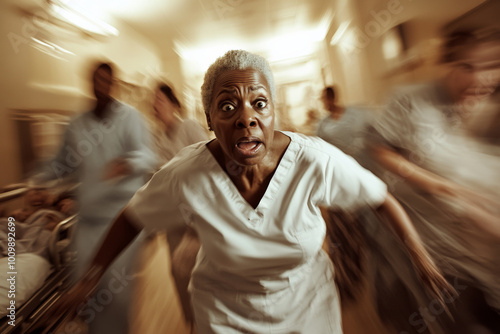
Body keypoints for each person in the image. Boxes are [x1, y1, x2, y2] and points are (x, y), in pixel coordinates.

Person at [49, 50, 452, 334]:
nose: (246, 118)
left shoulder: (313, 160)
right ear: (208, 119)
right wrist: (89, 280)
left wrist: (419, 256)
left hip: (308, 312)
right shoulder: (187, 174)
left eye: (259, 103)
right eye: (227, 107)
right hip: (224, 317)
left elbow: (380, 197)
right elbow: (131, 218)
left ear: (274, 110)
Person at [367, 30, 500, 333]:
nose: (481, 78)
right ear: (448, 64)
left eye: (493, 65)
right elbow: (379, 149)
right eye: (467, 66)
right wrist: (442, 186)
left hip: (486, 248)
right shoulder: (411, 101)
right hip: (436, 244)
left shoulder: (489, 109)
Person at [32, 62, 157, 334]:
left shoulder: (131, 118)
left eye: (106, 81)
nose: (101, 86)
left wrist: (127, 162)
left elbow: (149, 156)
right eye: (96, 81)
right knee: (85, 293)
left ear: (114, 84)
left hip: (121, 222)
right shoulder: (76, 124)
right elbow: (60, 163)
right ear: (90, 83)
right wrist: (38, 182)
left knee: (117, 297)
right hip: (87, 224)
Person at [131, 83, 208, 333]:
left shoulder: (189, 128)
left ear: (173, 104)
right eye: (153, 101)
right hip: (174, 216)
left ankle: (212, 322)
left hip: (201, 213)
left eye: (160, 100)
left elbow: (210, 165)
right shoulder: (155, 138)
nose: (155, 105)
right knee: (179, 272)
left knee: (205, 270)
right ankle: (193, 323)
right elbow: (156, 176)